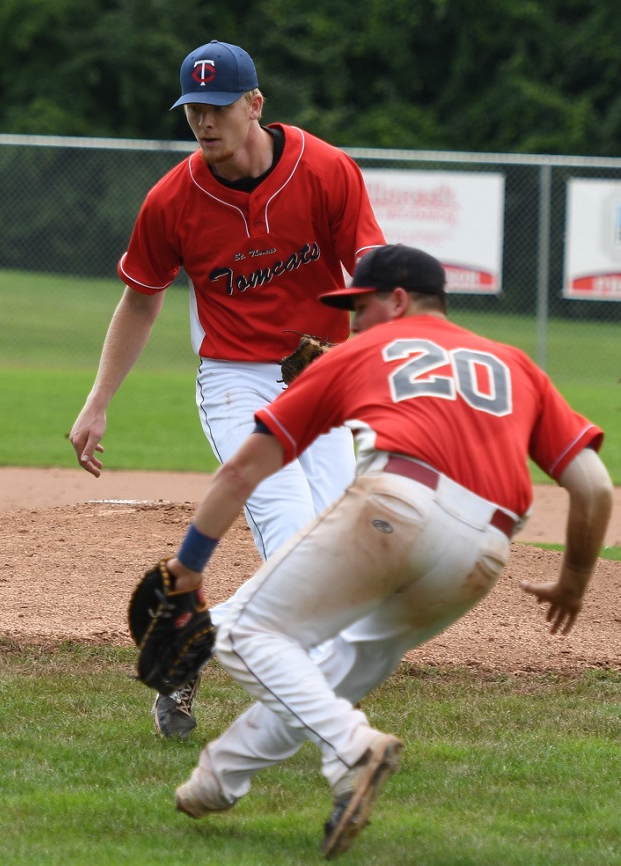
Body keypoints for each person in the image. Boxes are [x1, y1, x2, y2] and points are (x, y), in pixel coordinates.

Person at [162, 244, 610, 859]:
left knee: (240, 632)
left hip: (396, 505)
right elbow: (594, 487)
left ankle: (354, 748)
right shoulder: (515, 365)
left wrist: (188, 564)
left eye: (361, 307)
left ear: (398, 300)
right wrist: (574, 584)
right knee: (328, 673)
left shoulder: (364, 352)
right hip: (483, 552)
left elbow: (242, 471)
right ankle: (216, 780)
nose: (351, 324)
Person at [68, 40, 386, 739]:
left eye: (216, 108)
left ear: (254, 105)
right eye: (192, 110)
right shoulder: (172, 200)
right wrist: (98, 400)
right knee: (288, 529)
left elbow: (367, 274)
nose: (204, 123)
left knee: (331, 545)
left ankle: (185, 645)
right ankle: (315, 700)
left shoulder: (326, 171)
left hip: (320, 375)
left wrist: (361, 359)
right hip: (236, 377)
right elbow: (140, 300)